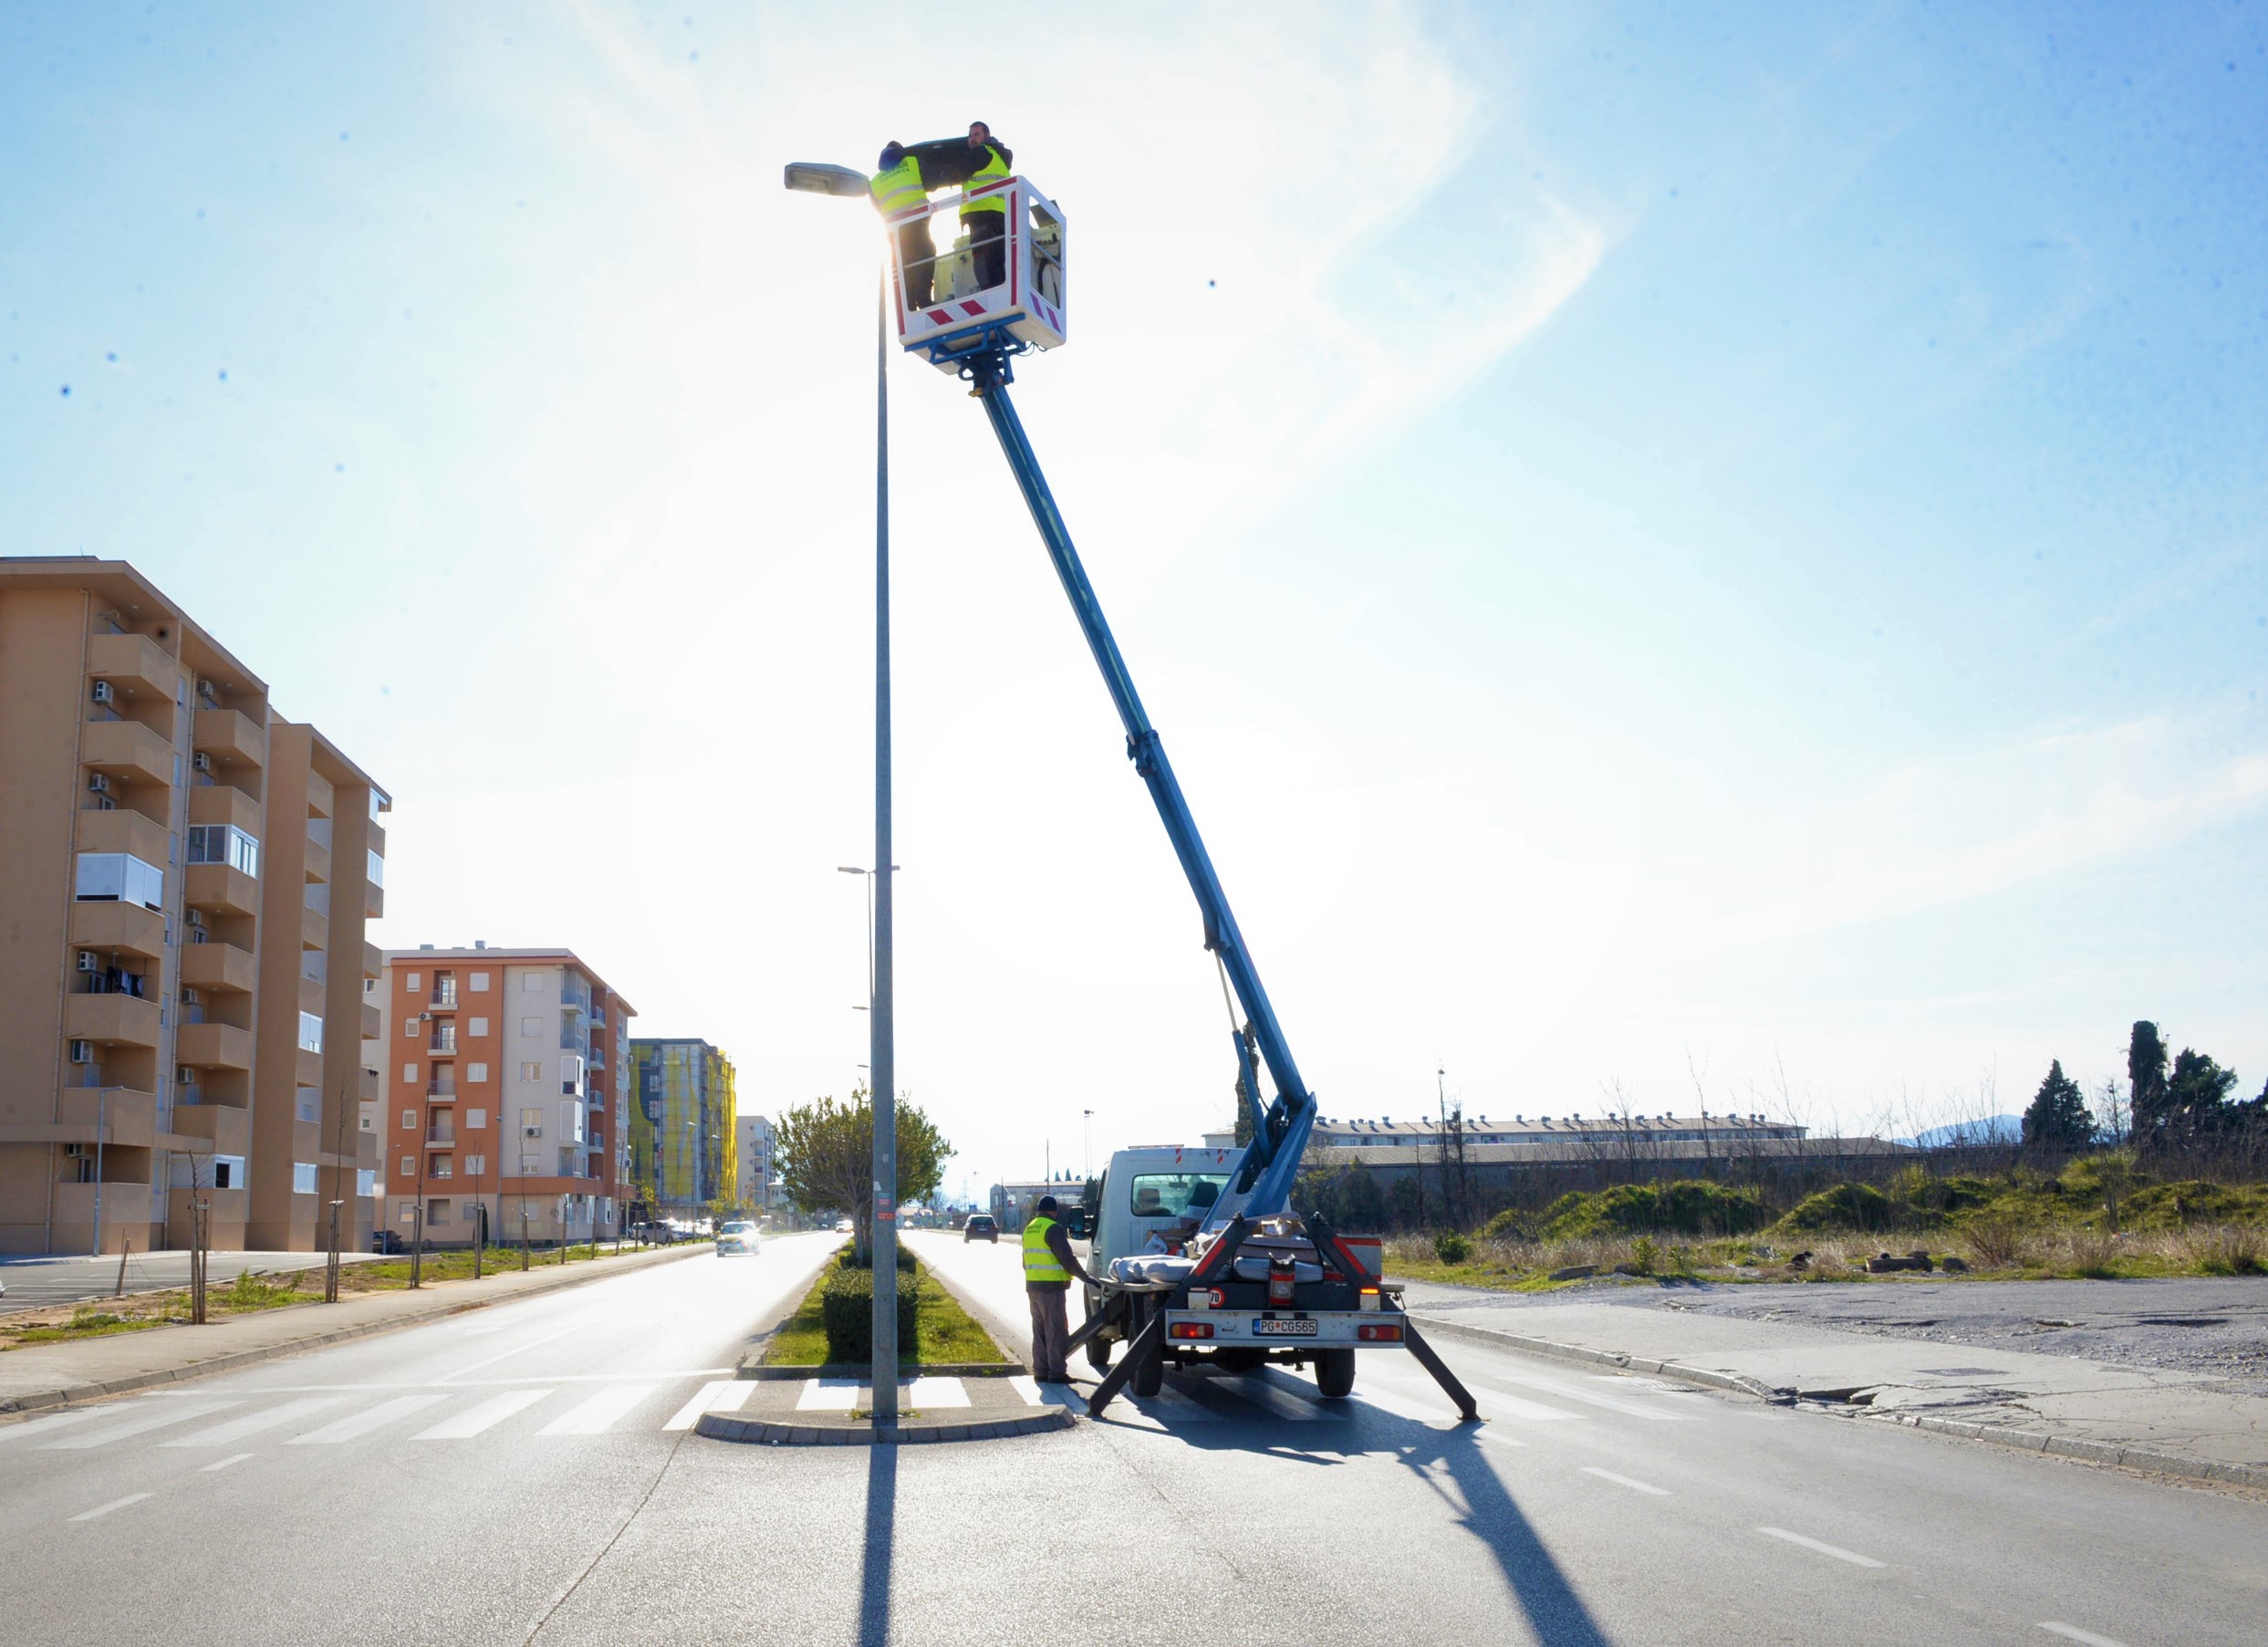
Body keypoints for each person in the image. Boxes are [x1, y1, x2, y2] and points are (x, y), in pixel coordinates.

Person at [1022, 1194, 1094, 1384]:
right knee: (1056, 1330)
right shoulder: (1053, 1228)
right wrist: (1085, 1277)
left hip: (1033, 1286)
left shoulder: (1029, 1229)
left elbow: (1025, 1261)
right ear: (1053, 1211)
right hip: (1051, 1289)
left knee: (1039, 1331)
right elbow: (1067, 1259)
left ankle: (1040, 1371)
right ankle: (1056, 1372)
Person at [869, 140, 941, 306]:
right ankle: (923, 299)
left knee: (904, 265)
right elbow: (933, 182)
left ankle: (908, 303)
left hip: (894, 230)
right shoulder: (913, 163)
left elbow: (878, 208)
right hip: (916, 221)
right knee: (926, 253)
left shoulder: (874, 182)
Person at [957, 121, 1014, 289]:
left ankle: (991, 292)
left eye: (976, 135)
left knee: (983, 257)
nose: (972, 139)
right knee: (997, 258)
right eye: (970, 136)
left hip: (981, 212)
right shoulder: (999, 157)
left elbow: (957, 171)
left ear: (986, 136)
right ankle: (1001, 290)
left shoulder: (981, 153)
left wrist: (937, 176)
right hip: (1000, 214)